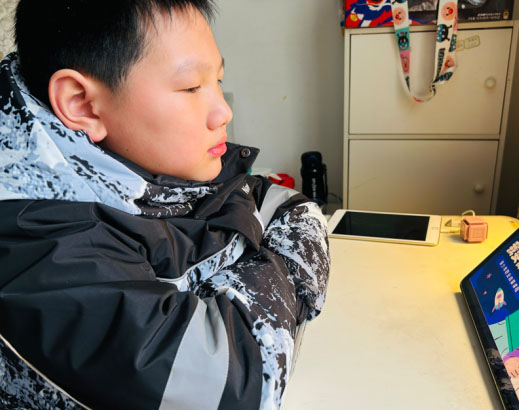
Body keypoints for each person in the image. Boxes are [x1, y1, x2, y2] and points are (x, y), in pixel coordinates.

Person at [0, 1, 330, 409]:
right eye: (191, 87)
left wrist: (232, 301)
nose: (223, 112)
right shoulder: (37, 244)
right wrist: (282, 268)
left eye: (218, 80)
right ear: (81, 103)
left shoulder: (150, 168)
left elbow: (291, 207)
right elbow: (236, 384)